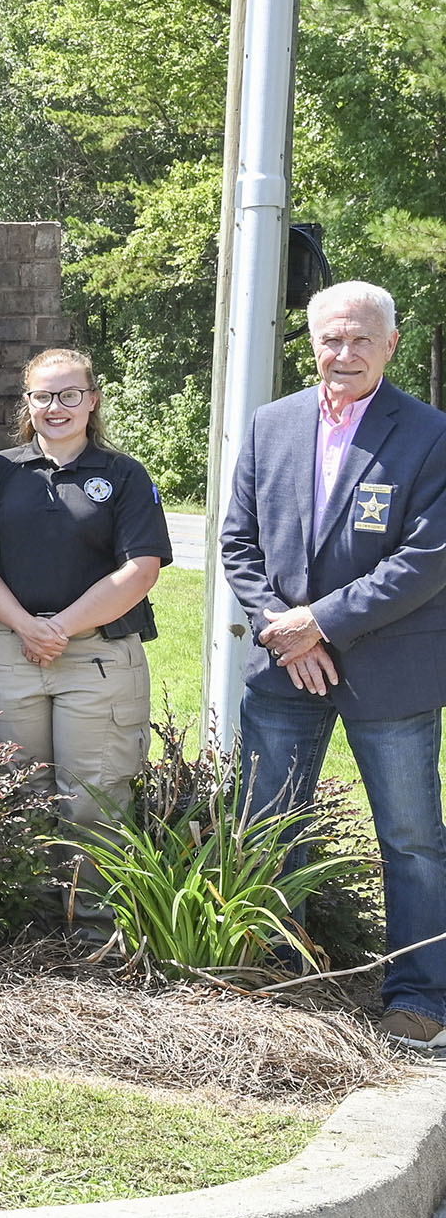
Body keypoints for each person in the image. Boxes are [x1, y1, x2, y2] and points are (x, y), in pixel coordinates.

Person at [221, 279, 446, 1051]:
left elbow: (427, 557)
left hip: (391, 670)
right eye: (329, 338)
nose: (342, 352)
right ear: (310, 343)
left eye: (359, 338)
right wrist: (287, 633)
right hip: (286, 669)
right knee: (269, 826)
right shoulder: (271, 423)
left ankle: (418, 996)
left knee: (412, 840)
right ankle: (280, 979)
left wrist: (321, 622)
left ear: (390, 343)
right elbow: (238, 544)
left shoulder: (429, 432)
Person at [0, 347, 171, 912]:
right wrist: (27, 627)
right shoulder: (1, 472)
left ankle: (95, 929)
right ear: (28, 403)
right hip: (12, 654)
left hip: (97, 660)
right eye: (44, 395)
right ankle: (29, 926)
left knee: (93, 798)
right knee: (16, 794)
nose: (57, 406)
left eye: (71, 394)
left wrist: (60, 629)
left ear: (92, 400)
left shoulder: (124, 474)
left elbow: (140, 569)